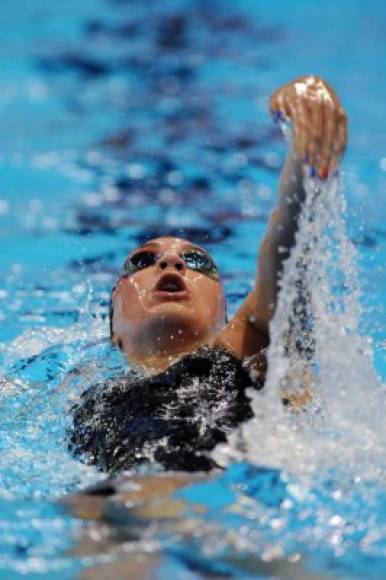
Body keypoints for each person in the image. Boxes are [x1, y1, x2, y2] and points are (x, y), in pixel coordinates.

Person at [69, 75, 347, 473]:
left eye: (198, 262)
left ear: (225, 316)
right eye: (142, 261)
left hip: (217, 511)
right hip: (110, 508)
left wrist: (304, 156)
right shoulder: (84, 394)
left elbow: (286, 258)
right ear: (113, 325)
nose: (171, 264)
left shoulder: (249, 352)